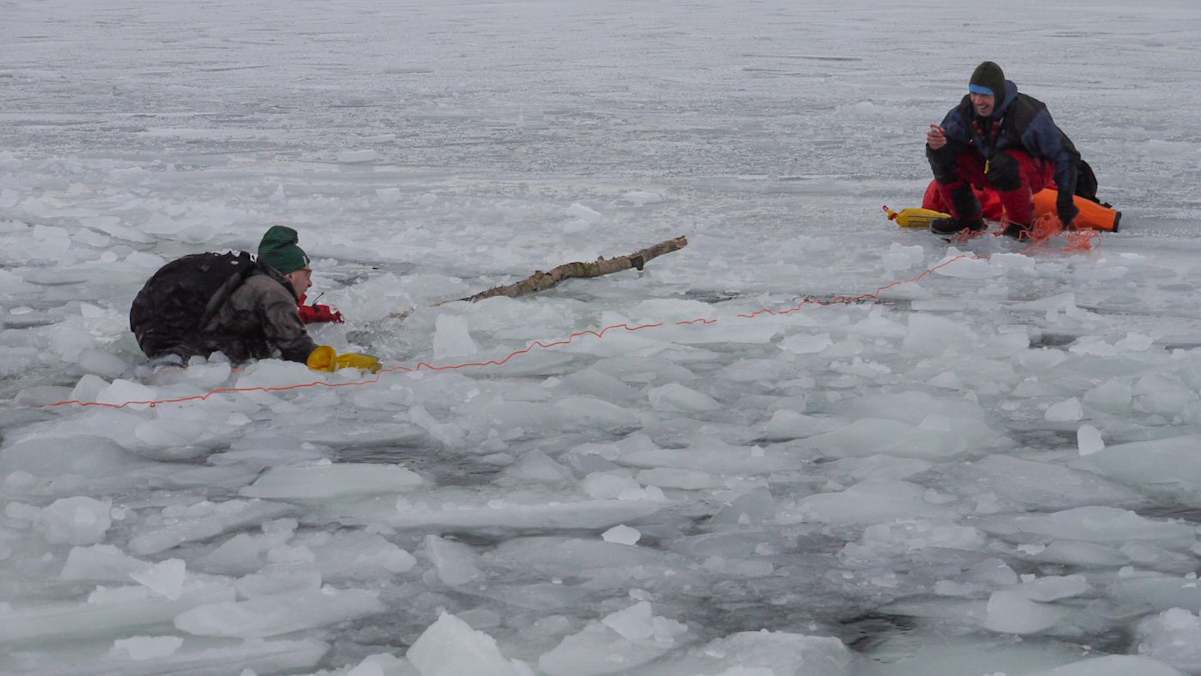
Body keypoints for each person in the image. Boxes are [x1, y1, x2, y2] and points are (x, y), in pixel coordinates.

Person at [130, 225, 380, 372]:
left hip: (151, 319)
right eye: (307, 274)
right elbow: (296, 348)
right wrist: (337, 364)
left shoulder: (248, 280)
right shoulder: (272, 290)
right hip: (169, 331)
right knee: (173, 368)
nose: (310, 283)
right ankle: (160, 378)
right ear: (290, 274)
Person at [925, 61, 1082, 239]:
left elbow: (1066, 155)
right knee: (940, 154)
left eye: (984, 95)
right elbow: (950, 142)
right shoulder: (967, 109)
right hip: (993, 166)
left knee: (1004, 163)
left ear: (998, 95)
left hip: (1035, 171)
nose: (977, 101)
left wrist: (1065, 201)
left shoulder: (1027, 114)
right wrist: (939, 144)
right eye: (973, 94)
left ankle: (1021, 225)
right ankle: (968, 219)